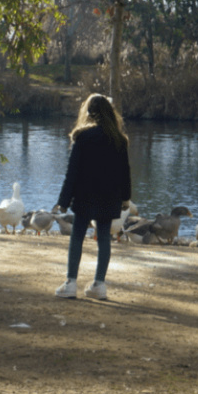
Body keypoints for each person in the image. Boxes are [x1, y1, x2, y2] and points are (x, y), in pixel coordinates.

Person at [53, 93, 132, 300]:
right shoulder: (119, 140)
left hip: (85, 195)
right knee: (104, 237)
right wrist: (125, 199)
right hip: (110, 196)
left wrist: (63, 202)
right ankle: (99, 284)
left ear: (88, 113)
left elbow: (72, 173)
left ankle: (71, 282)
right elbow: (125, 173)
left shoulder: (82, 138)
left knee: (77, 236)